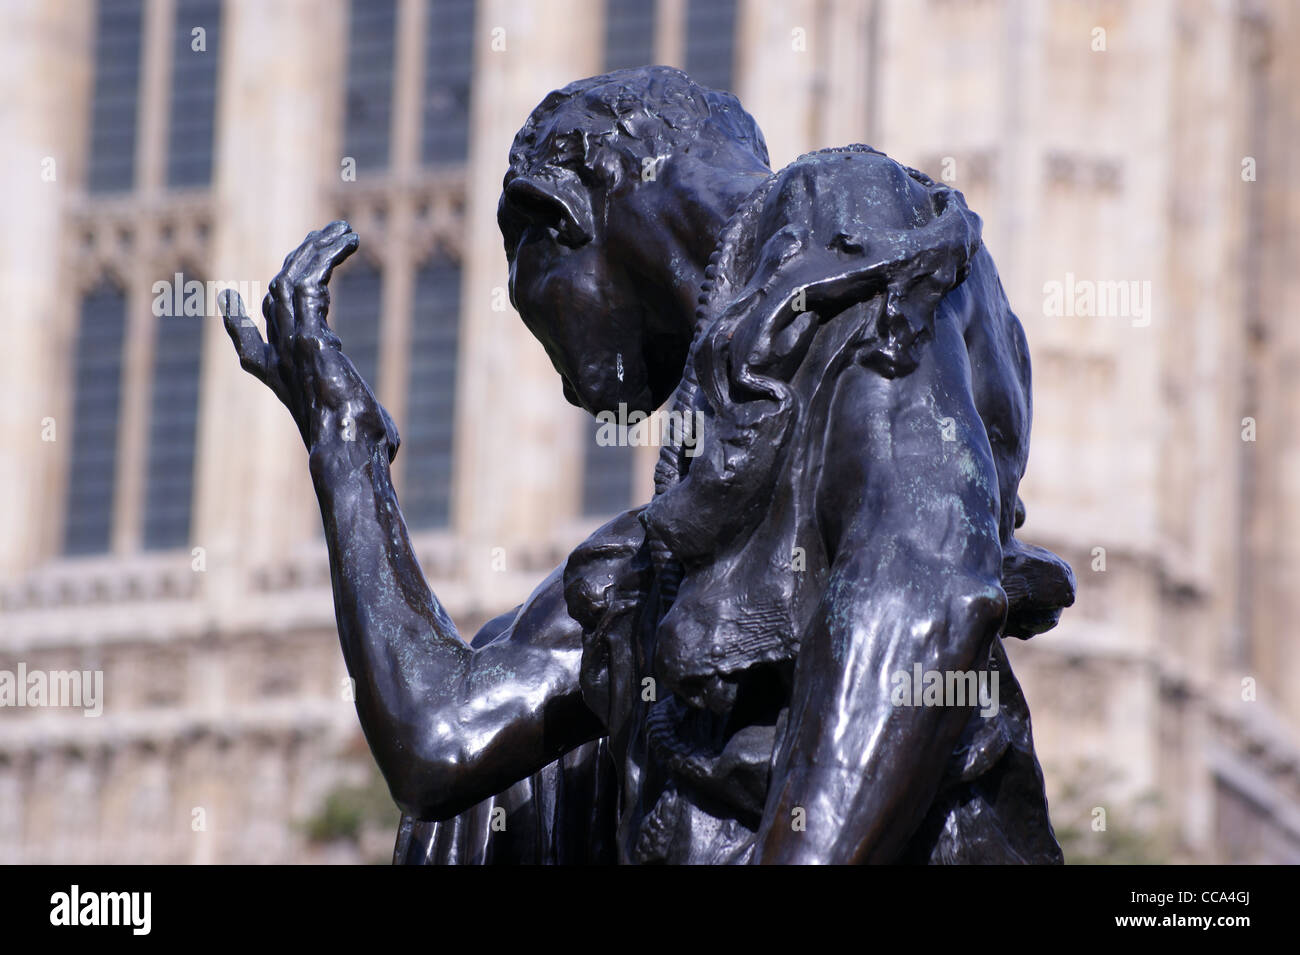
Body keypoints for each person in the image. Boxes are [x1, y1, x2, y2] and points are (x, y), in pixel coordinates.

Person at [221, 66, 1074, 864]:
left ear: (562, 216)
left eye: (538, 309)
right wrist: (344, 444)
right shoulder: (674, 533)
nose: (568, 387)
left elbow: (919, 591)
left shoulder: (843, 224)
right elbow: (440, 740)